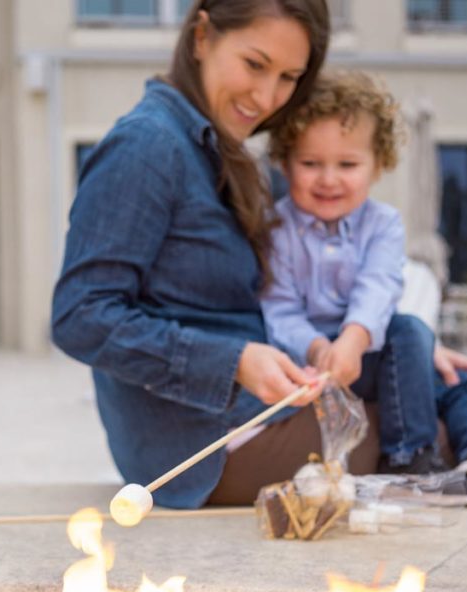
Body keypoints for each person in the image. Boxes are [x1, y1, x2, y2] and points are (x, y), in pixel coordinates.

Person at [52, 0, 333, 510]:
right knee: (433, 433)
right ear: (201, 37)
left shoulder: (223, 155)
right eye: (255, 64)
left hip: (253, 420)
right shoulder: (147, 147)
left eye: (289, 76)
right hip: (203, 454)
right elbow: (80, 317)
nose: (267, 96)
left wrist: (384, 341)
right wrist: (233, 362)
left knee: (423, 377)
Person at [263, 70, 467, 503]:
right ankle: (409, 460)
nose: (328, 179)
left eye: (347, 164)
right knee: (411, 332)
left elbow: (380, 287)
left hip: (372, 347)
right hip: (311, 365)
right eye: (311, 164)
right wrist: (318, 348)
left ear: (378, 164)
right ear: (285, 162)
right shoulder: (278, 230)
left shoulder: (383, 224)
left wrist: (354, 337)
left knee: (450, 371)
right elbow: (280, 309)